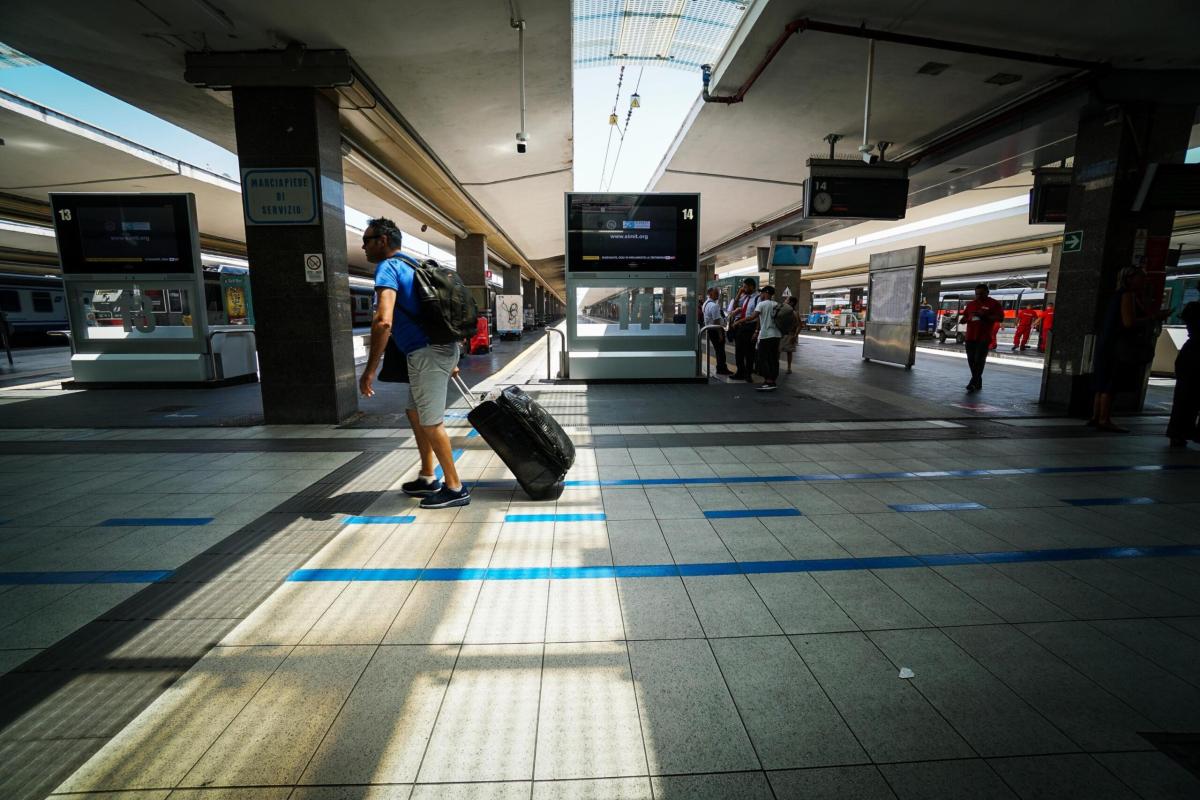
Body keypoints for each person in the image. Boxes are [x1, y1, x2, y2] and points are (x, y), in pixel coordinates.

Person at [358, 217, 470, 508]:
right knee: (415, 413)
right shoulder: (412, 264)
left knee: (431, 423)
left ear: (382, 241)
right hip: (434, 350)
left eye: (367, 240)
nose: (364, 247)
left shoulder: (388, 268)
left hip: (427, 353)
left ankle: (455, 487)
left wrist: (369, 370)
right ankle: (427, 476)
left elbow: (383, 321)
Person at [1088, 267, 1166, 433]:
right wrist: (1153, 318)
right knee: (1111, 383)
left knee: (1102, 382)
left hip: (1106, 344)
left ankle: (1096, 417)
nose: (1145, 281)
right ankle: (1105, 419)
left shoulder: (1116, 295)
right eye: (1142, 278)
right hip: (1118, 346)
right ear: (1130, 279)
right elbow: (1129, 322)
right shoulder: (1126, 295)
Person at [1167, 301, 1200, 447]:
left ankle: (1178, 432)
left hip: (1191, 355)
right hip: (1194, 355)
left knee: (1184, 397)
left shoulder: (1194, 307)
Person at [961, 284, 1004, 392]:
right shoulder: (971, 304)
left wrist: (984, 316)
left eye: (981, 294)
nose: (978, 296)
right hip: (970, 336)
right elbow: (965, 316)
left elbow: (1000, 318)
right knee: (971, 360)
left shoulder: (994, 304)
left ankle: (973, 381)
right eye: (976, 294)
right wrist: (964, 319)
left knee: (979, 360)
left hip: (984, 336)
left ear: (987, 293)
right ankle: (977, 381)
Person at [743, 285, 781, 391]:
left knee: (762, 359)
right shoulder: (776, 304)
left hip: (766, 335)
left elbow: (752, 317)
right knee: (773, 359)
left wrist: (739, 321)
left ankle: (768, 381)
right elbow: (761, 318)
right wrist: (756, 331)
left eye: (762, 293)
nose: (760, 294)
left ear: (766, 293)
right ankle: (772, 380)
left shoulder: (762, 304)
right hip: (776, 335)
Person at [727, 278, 759, 381]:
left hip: (750, 327)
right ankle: (740, 371)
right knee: (739, 350)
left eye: (745, 287)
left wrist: (756, 331)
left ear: (752, 286)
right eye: (743, 287)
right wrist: (739, 293)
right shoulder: (745, 297)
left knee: (749, 351)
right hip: (742, 327)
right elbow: (735, 305)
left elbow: (757, 316)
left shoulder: (757, 298)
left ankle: (748, 373)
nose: (743, 289)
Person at [702, 287, 730, 375]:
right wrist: (720, 334)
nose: (718, 295)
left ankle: (720, 367)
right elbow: (716, 321)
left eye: (718, 293)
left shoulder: (706, 303)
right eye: (716, 293)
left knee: (718, 350)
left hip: (710, 329)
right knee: (720, 350)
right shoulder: (714, 306)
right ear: (710, 294)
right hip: (716, 330)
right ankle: (721, 368)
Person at [778, 295, 799, 373]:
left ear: (791, 303)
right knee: (778, 351)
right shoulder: (782, 311)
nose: (785, 301)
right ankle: (777, 366)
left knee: (789, 352)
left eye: (787, 300)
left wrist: (795, 335)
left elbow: (799, 325)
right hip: (781, 334)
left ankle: (789, 368)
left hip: (790, 334)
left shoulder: (794, 313)